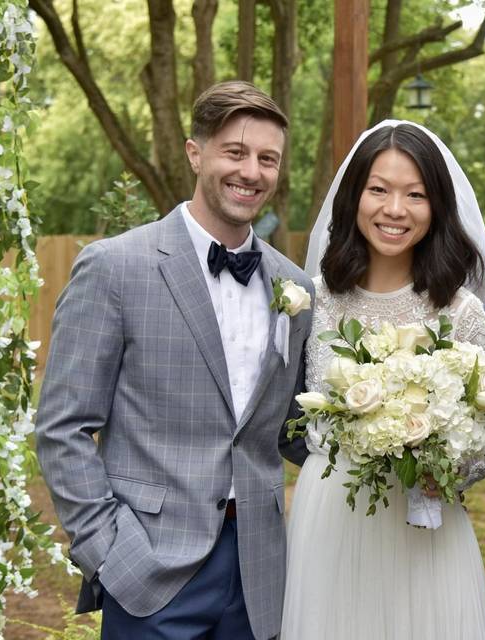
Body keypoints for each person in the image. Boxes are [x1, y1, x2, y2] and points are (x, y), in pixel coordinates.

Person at [35, 81, 313, 640]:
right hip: (148, 573)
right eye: (235, 152)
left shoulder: (295, 286)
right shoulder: (115, 268)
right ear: (196, 152)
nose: (251, 172)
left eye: (267, 159)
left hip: (260, 576)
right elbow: (63, 426)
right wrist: (106, 551)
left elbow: (290, 431)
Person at [280, 120, 485, 640]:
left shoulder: (461, 313)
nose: (395, 210)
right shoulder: (314, 300)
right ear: (354, 197)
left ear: (437, 206)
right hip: (330, 518)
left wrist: (437, 465)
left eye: (415, 194)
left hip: (424, 527)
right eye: (378, 190)